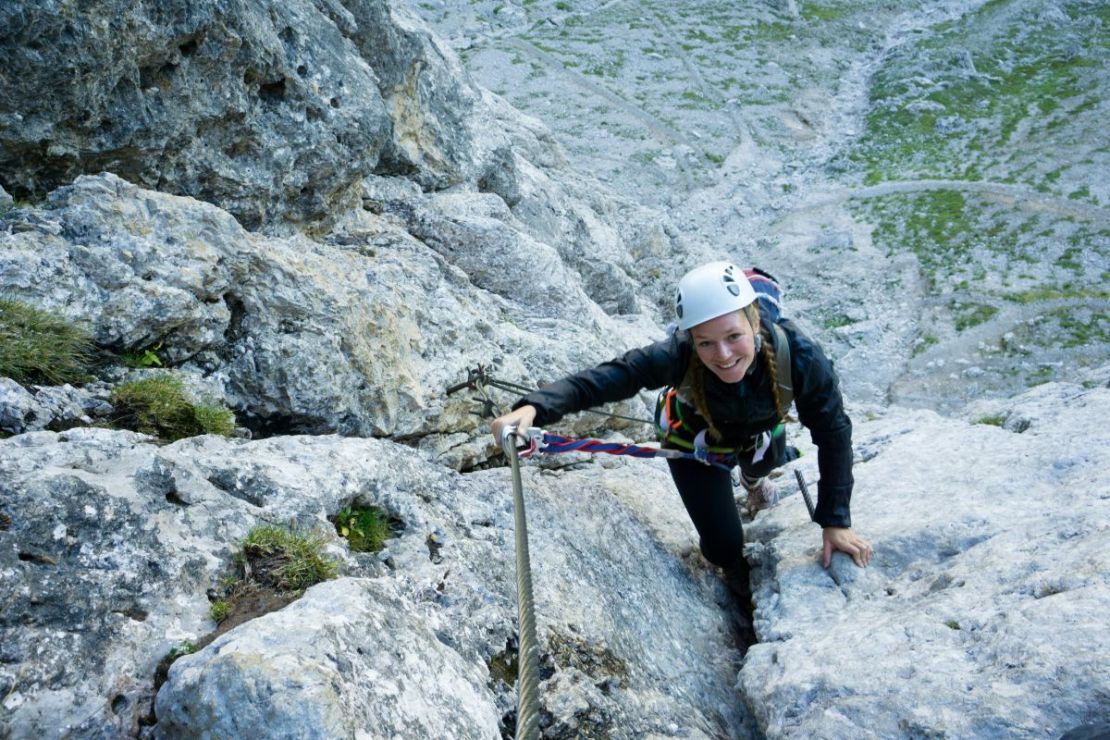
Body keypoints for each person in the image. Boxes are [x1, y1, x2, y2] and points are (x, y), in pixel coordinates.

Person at [491, 262, 873, 619]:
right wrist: (534, 409)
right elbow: (612, 377)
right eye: (706, 343)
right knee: (723, 547)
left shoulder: (801, 357)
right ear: (691, 339)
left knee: (762, 463)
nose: (722, 355)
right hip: (693, 442)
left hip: (759, 430)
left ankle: (751, 480)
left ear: (755, 321)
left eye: (733, 336)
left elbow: (834, 432)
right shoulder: (678, 354)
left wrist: (835, 520)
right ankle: (737, 575)